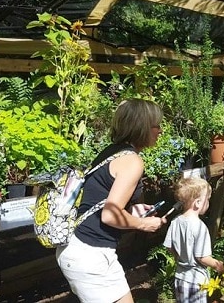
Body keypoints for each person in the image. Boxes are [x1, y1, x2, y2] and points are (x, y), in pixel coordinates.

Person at [56, 98, 167, 303]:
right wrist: (144, 223)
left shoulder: (112, 152)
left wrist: (132, 211)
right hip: (91, 254)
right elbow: (109, 215)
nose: (160, 131)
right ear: (141, 127)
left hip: (79, 248)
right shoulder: (132, 161)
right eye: (156, 125)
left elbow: (103, 202)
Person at [163, 177, 224, 303]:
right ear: (198, 203)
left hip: (180, 278)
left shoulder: (176, 221)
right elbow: (202, 257)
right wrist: (218, 265)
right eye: (207, 199)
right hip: (195, 281)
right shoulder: (200, 227)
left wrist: (178, 258)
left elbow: (168, 246)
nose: (208, 203)